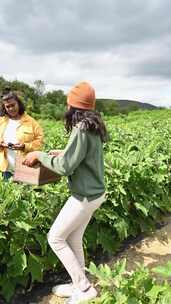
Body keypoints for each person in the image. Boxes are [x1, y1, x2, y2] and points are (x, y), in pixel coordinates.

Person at [23, 82, 108, 304]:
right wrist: (64, 152)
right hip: (95, 193)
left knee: (56, 238)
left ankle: (85, 289)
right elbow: (83, 155)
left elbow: (64, 167)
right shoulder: (92, 125)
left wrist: (40, 155)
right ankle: (78, 283)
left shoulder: (81, 128)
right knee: (74, 237)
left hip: (85, 196)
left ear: (72, 105)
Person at [0, 92, 43, 180]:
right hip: (6, 169)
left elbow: (40, 142)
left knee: (25, 192)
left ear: (18, 103)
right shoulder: (2, 121)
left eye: (13, 105)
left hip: (25, 168)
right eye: (8, 106)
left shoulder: (31, 122)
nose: (11, 108)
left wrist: (24, 146)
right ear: (4, 108)